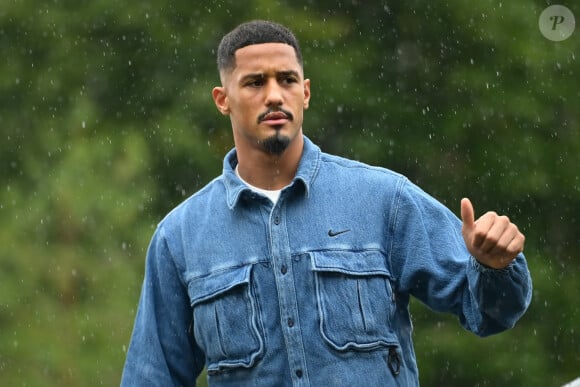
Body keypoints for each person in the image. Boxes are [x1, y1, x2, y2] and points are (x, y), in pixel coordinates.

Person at [121, 20, 532, 386]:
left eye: (286, 80)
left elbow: (489, 313)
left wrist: (494, 269)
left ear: (306, 92)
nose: (274, 96)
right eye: (254, 82)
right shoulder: (180, 238)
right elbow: (152, 375)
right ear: (222, 99)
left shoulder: (383, 200)